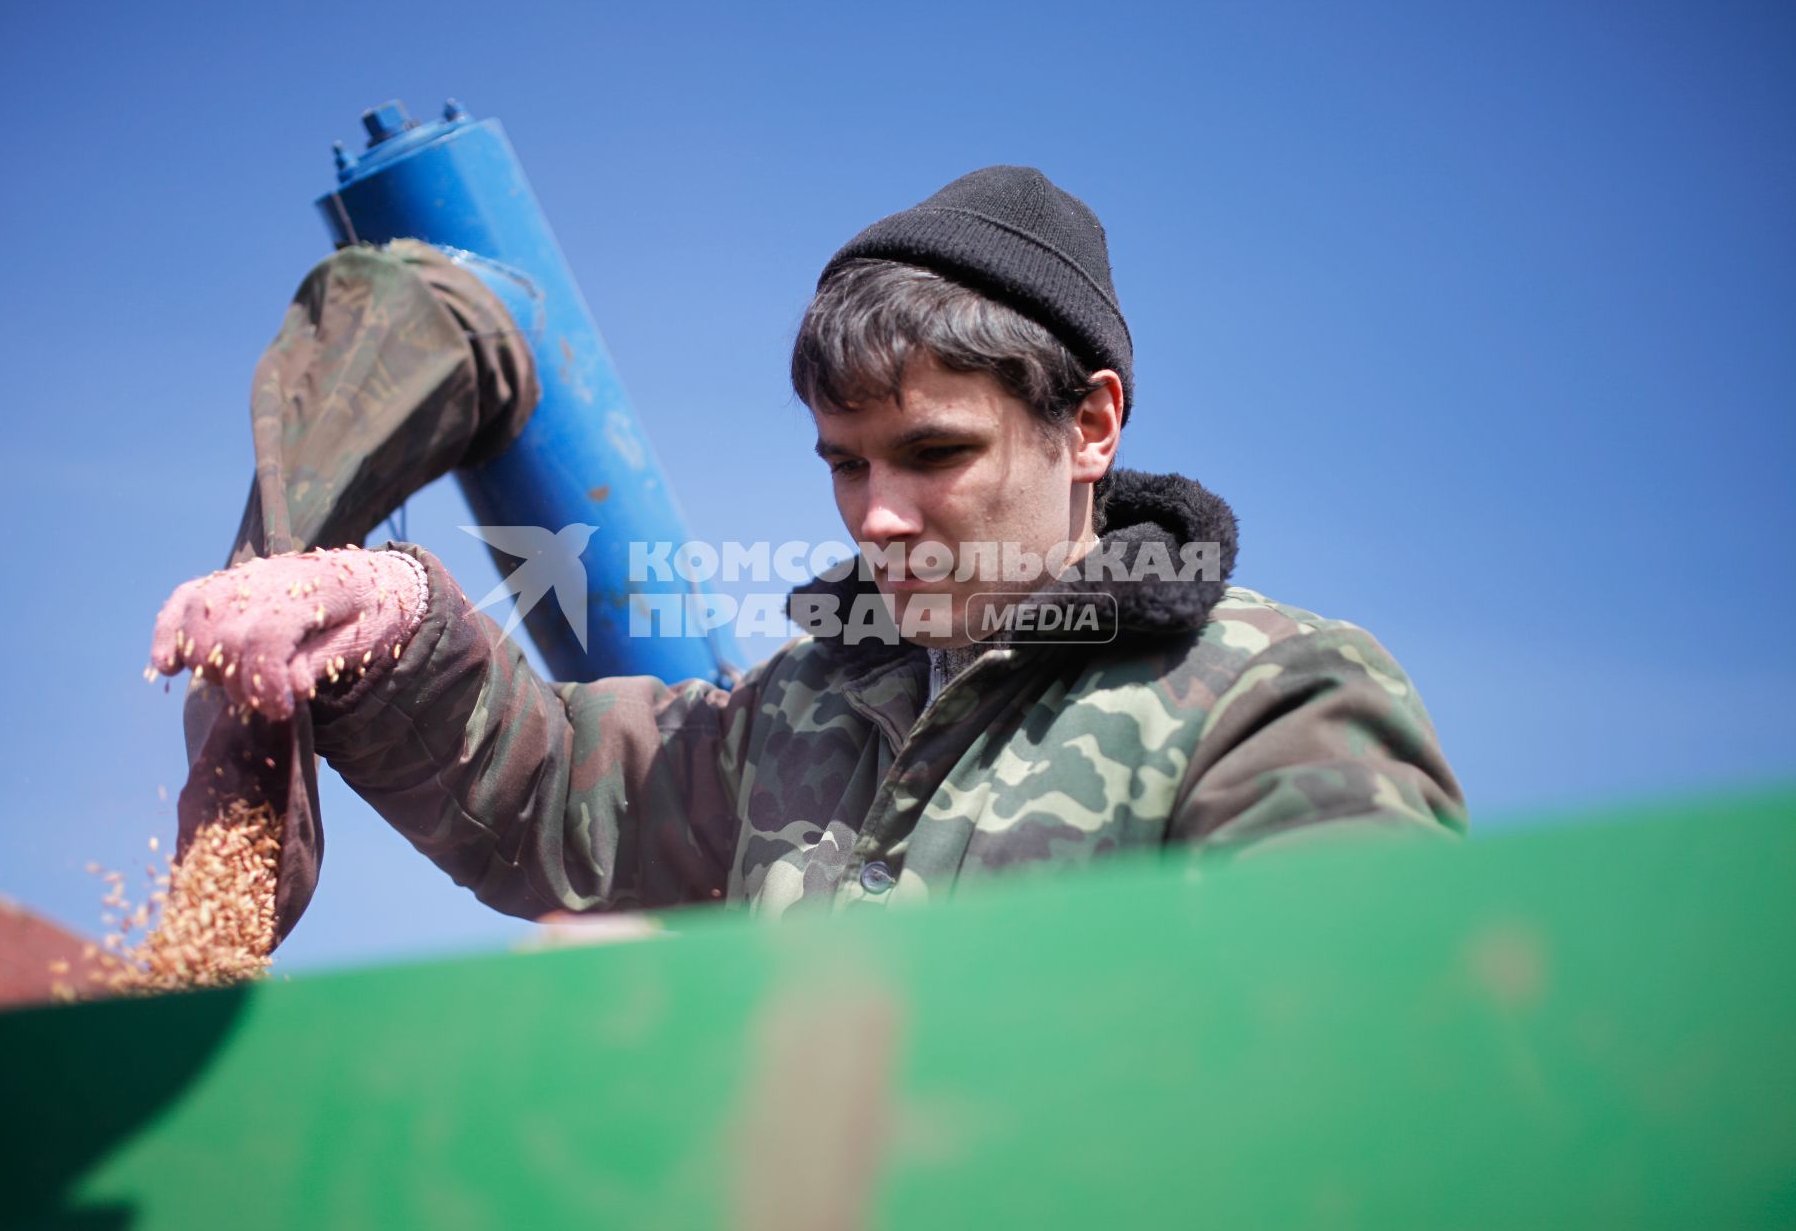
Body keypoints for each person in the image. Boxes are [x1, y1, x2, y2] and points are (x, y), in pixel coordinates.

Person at [151, 166, 1465, 923]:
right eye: (846, 464)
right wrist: (385, 624)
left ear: (1091, 426)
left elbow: (1352, 1071)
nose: (877, 516)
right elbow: (559, 798)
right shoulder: (800, 717)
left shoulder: (1272, 704)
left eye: (936, 455)